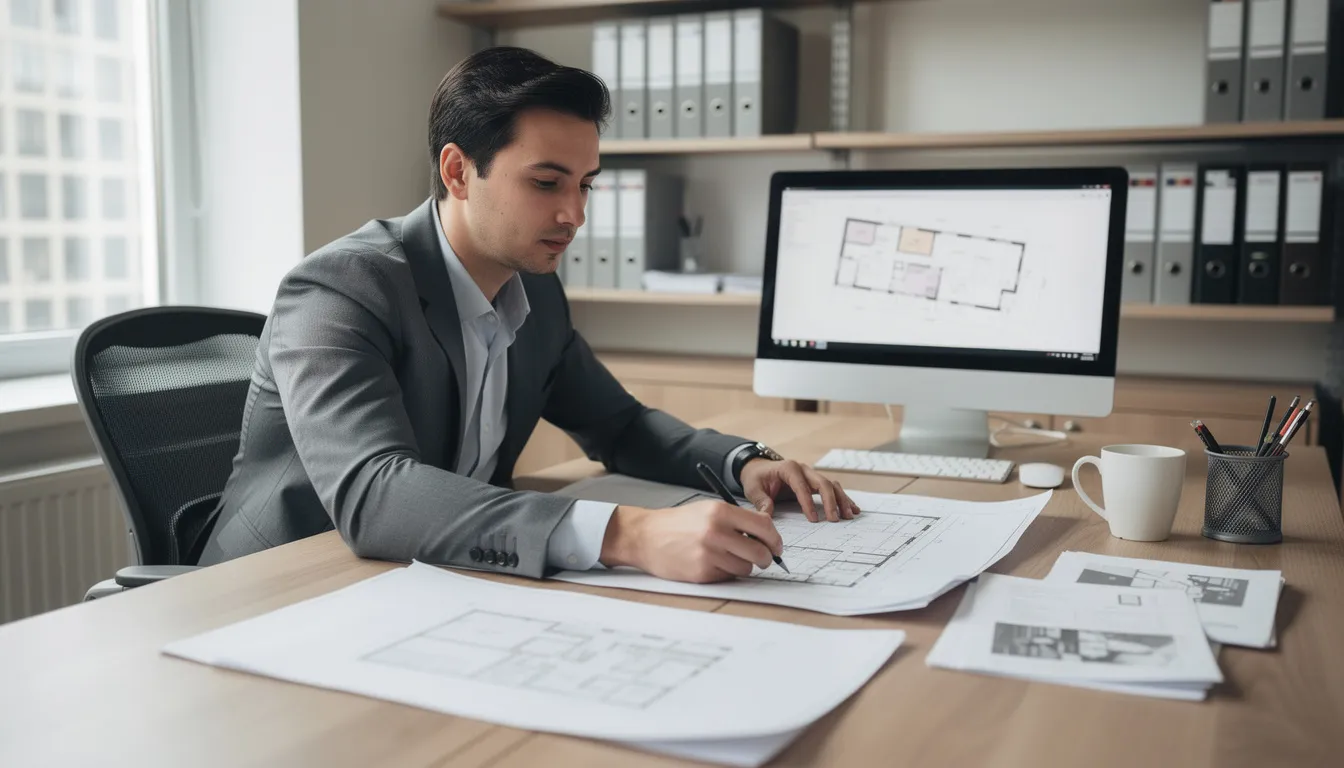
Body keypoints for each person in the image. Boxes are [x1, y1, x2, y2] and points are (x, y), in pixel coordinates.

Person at [197, 47, 859, 583]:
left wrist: (744, 463)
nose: (575, 215)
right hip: (276, 590)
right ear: (458, 172)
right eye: (546, 183)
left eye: (585, 184)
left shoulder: (534, 293)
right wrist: (629, 533)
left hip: (431, 578)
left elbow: (621, 425)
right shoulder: (340, 289)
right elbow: (376, 494)